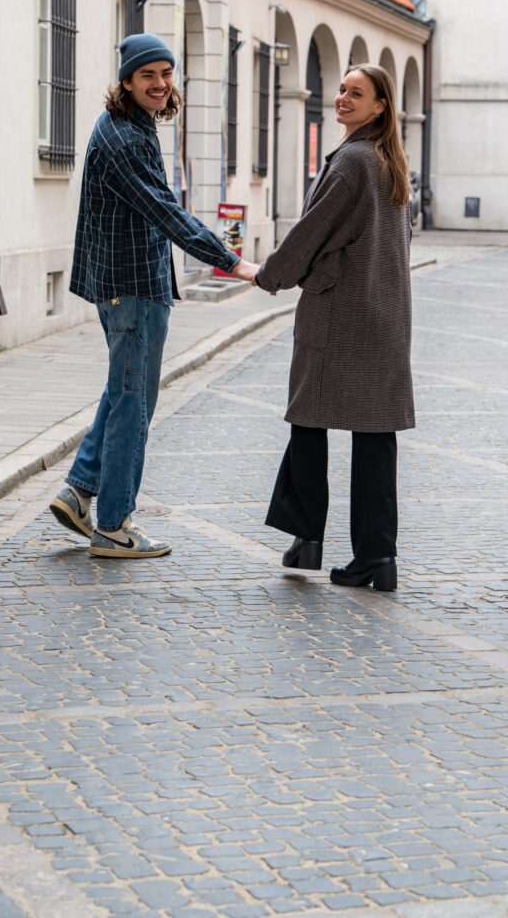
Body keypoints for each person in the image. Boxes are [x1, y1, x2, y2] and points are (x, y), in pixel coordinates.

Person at [50, 33, 258, 558]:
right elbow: (164, 210)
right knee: (133, 406)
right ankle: (114, 526)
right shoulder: (122, 139)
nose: (161, 84)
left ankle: (78, 492)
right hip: (132, 291)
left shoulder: (134, 127)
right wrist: (232, 261)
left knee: (126, 394)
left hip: (135, 285)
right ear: (126, 81)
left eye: (167, 73)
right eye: (149, 75)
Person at [253, 63, 415, 591]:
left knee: (308, 419)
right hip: (385, 316)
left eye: (356, 93)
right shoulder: (390, 163)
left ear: (379, 107)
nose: (343, 98)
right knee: (375, 436)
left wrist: (271, 275)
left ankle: (307, 538)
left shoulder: (350, 161)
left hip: (336, 314)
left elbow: (310, 232)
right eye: (342, 89)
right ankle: (377, 558)